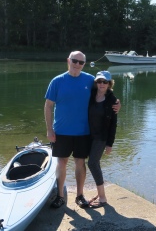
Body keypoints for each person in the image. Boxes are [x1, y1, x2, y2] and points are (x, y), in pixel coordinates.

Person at [45, 51, 120, 209]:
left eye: (81, 62)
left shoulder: (89, 80)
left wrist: (116, 103)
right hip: (61, 131)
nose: (77, 64)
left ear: (84, 64)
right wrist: (49, 129)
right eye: (75, 61)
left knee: (80, 163)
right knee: (61, 163)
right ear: (68, 60)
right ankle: (60, 196)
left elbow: (104, 90)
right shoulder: (57, 81)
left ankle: (80, 195)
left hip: (83, 132)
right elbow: (48, 106)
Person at [87, 71, 117, 208]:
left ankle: (103, 197)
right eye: (99, 81)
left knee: (93, 163)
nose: (102, 84)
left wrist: (110, 144)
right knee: (92, 163)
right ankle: (99, 194)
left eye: (105, 82)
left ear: (109, 84)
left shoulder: (112, 101)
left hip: (101, 137)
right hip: (87, 135)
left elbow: (113, 124)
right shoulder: (91, 94)